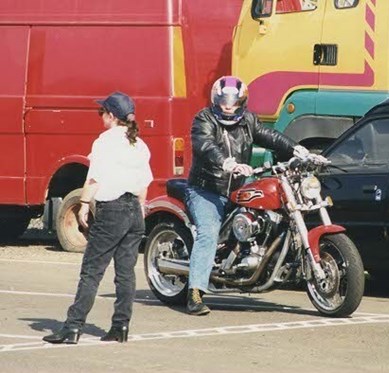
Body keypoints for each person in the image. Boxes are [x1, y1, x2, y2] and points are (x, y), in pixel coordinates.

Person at [184, 76, 317, 315]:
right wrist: (226, 163)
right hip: (206, 189)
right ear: (215, 99)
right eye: (223, 100)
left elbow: (269, 135)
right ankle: (195, 293)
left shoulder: (248, 120)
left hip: (236, 187)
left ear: (241, 101)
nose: (227, 105)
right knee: (208, 233)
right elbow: (204, 145)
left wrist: (296, 148)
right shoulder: (204, 119)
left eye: (232, 101)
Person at [43, 92, 153, 344]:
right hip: (134, 211)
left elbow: (94, 178)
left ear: (112, 116)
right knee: (125, 272)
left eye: (102, 112)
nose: (100, 116)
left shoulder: (105, 142)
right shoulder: (140, 144)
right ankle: (120, 326)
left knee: (91, 271)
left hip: (112, 209)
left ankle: (72, 327)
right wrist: (138, 209)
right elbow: (144, 184)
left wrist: (83, 204)